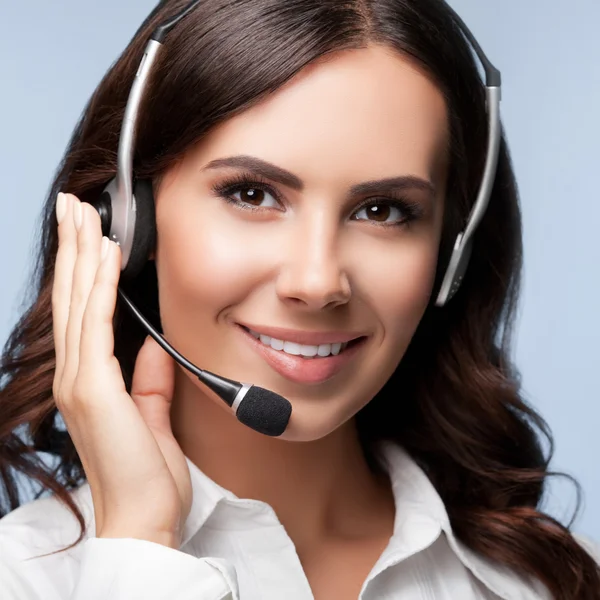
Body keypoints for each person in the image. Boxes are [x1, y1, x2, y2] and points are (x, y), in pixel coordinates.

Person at [0, 0, 598, 598]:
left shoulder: (556, 582)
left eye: (383, 210)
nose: (317, 283)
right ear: (130, 222)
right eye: (252, 194)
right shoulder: (23, 578)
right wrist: (138, 545)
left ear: (452, 251)